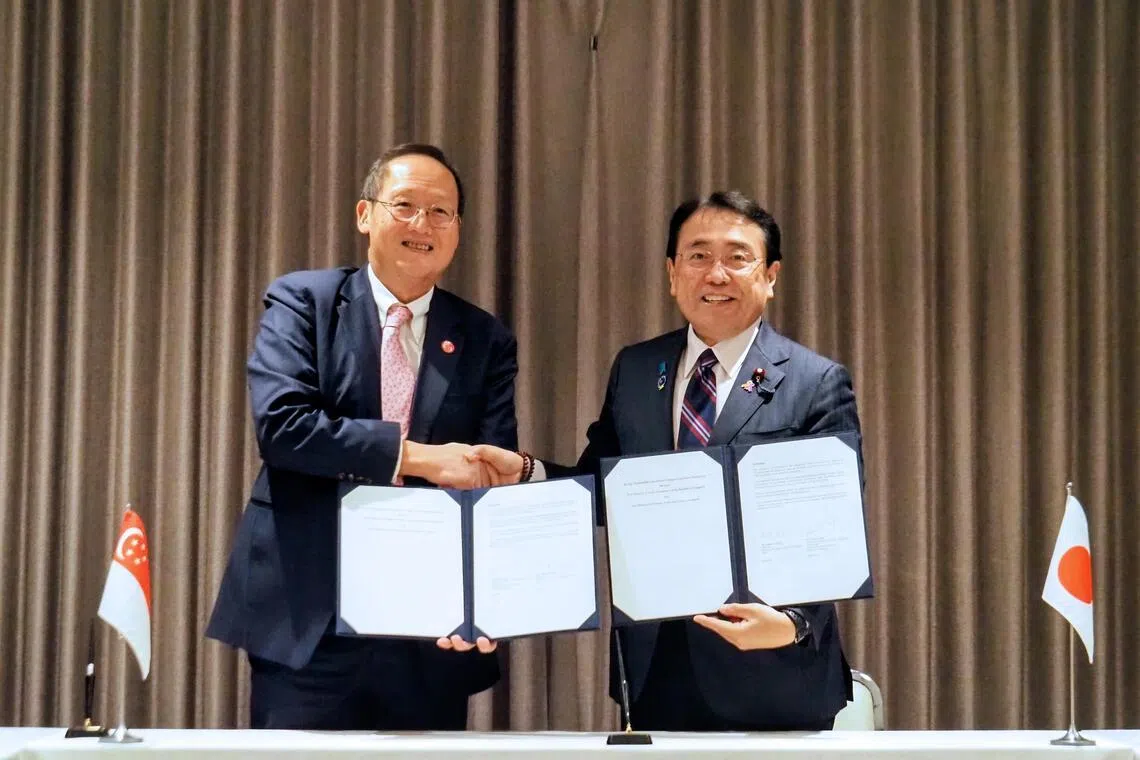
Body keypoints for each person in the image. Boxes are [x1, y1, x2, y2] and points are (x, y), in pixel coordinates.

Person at [473, 191, 861, 731]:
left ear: (771, 275)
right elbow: (602, 489)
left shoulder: (814, 381)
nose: (716, 274)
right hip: (654, 660)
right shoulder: (636, 369)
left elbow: (831, 527)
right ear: (673, 273)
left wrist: (794, 624)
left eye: (737, 257)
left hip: (770, 667)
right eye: (698, 256)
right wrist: (525, 472)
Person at [206, 144, 514, 730]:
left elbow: (487, 481)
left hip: (429, 629)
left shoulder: (484, 338)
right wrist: (421, 459)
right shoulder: (304, 301)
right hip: (309, 618)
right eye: (404, 205)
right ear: (364, 214)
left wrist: (487, 600)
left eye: (440, 212)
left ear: (458, 230)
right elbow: (284, 429)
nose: (421, 224)